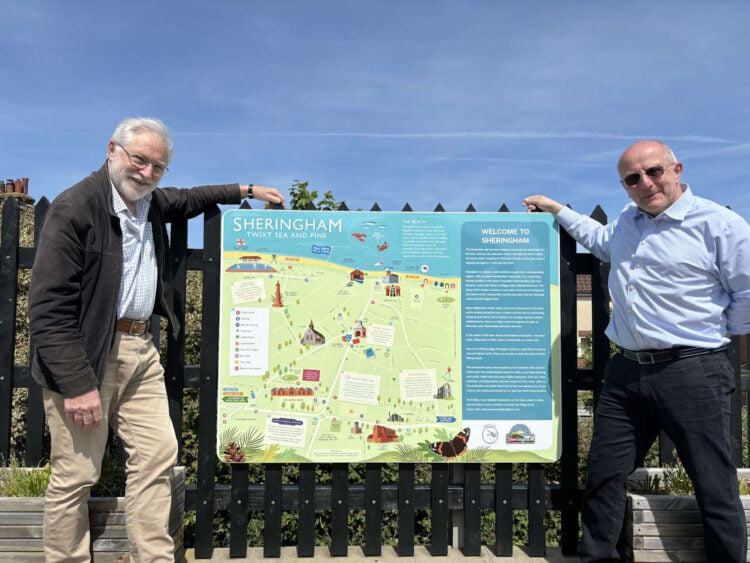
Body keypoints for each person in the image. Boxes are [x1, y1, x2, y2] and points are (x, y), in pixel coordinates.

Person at [29, 116, 285, 562]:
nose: (146, 173)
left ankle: (153, 557)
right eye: (139, 160)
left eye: (158, 167)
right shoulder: (75, 208)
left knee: (157, 456)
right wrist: (76, 383)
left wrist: (246, 190)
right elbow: (48, 310)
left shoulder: (152, 204)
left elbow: (193, 198)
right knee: (76, 473)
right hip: (87, 355)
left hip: (141, 350)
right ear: (113, 151)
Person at [524, 140, 750, 563]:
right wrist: (556, 208)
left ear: (676, 169)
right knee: (605, 477)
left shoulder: (719, 224)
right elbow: (598, 239)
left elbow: (747, 291)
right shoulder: (628, 222)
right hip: (625, 373)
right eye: (633, 178)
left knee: (713, 484)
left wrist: (720, 344)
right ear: (625, 186)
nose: (646, 183)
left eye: (654, 172)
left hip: (693, 369)